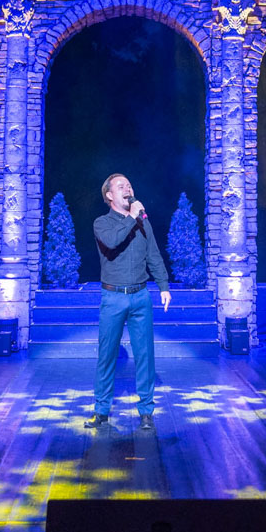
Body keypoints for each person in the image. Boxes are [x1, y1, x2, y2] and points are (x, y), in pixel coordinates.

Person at [85, 174, 171, 430]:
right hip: (113, 297)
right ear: (109, 195)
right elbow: (113, 242)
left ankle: (146, 412)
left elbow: (153, 255)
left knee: (145, 355)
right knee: (107, 355)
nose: (128, 189)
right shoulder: (102, 223)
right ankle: (101, 411)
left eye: (130, 185)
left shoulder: (143, 222)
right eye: (121, 186)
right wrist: (132, 217)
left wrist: (163, 286)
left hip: (140, 296)